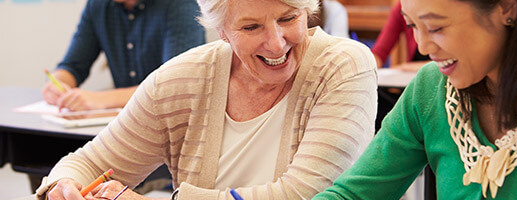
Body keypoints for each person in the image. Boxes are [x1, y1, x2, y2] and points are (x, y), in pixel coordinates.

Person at [36, 0, 378, 199]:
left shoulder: (344, 65)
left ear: (307, 12)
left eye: (288, 19)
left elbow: (304, 195)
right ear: (222, 31)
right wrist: (64, 186)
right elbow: (86, 163)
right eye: (251, 28)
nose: (276, 44)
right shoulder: (182, 78)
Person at [315, 0, 517, 199]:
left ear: (507, 8)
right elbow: (354, 194)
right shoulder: (431, 89)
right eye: (412, 26)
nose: (424, 46)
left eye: (436, 27)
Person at [41, 0, 206, 112]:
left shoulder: (180, 6)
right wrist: (58, 83)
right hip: (124, 125)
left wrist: (100, 99)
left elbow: (173, 87)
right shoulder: (98, 5)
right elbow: (73, 65)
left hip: (172, 129)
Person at [371, 1, 429, 71]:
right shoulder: (403, 6)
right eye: (411, 25)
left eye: (435, 29)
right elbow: (379, 53)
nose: (422, 48)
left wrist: (405, 67)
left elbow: (444, 63)